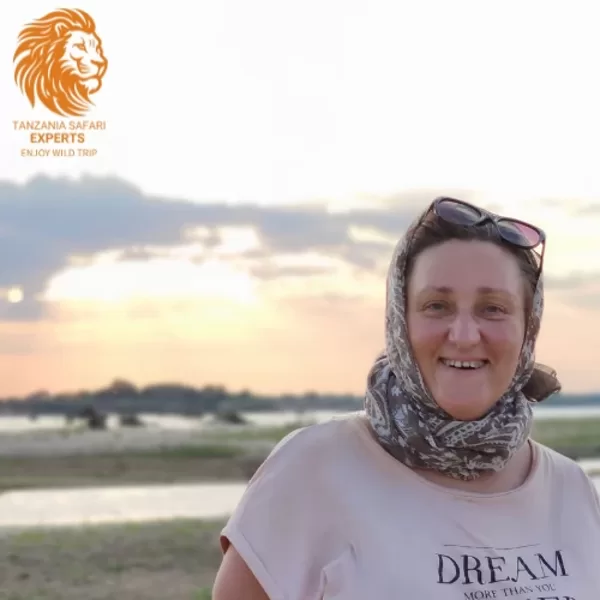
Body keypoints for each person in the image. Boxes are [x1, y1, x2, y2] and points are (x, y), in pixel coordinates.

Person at [212, 197, 600, 599]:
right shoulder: (312, 471)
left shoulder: (572, 491)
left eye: (493, 308)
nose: (465, 335)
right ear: (400, 319)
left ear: (527, 328)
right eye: (437, 306)